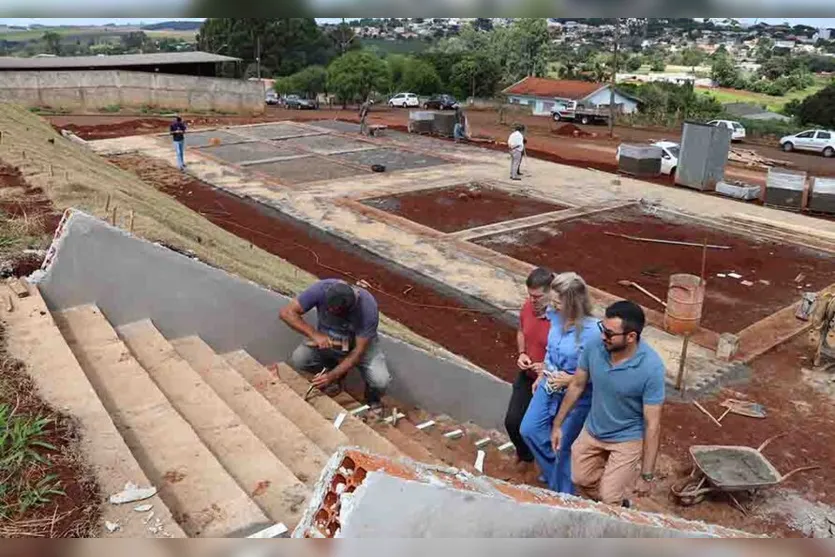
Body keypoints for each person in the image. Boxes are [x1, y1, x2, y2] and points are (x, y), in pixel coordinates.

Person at [550, 300, 665, 507]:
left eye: (610, 333)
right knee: (579, 479)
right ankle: (616, 504)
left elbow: (652, 424)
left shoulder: (651, 368)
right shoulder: (595, 346)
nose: (603, 336)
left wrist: (646, 475)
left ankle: (611, 511)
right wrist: (557, 425)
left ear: (631, 337)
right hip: (594, 429)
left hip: (627, 437)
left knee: (609, 495)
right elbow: (577, 384)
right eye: (603, 329)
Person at [519, 272, 598, 494]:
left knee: (563, 444)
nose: (552, 306)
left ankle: (564, 492)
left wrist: (572, 379)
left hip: (576, 393)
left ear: (574, 303)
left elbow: (602, 371)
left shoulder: (593, 332)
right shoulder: (554, 316)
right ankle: (555, 473)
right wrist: (543, 373)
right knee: (529, 429)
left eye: (557, 302)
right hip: (550, 383)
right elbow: (550, 349)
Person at [280, 279, 390, 406]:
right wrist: (315, 335)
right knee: (300, 359)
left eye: (337, 312)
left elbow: (357, 353)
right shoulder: (321, 289)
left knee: (380, 381)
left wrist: (331, 376)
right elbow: (286, 313)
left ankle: (372, 401)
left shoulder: (367, 309)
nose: (331, 313)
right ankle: (335, 377)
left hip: (360, 344)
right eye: (329, 309)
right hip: (330, 339)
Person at [503, 267, 553, 465]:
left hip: (548, 382)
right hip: (527, 375)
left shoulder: (560, 320)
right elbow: (521, 331)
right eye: (530, 295)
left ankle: (547, 466)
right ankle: (526, 457)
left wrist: (547, 367)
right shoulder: (527, 308)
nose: (533, 300)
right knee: (512, 422)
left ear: (551, 292)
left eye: (538, 296)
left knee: (539, 429)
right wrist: (522, 353)